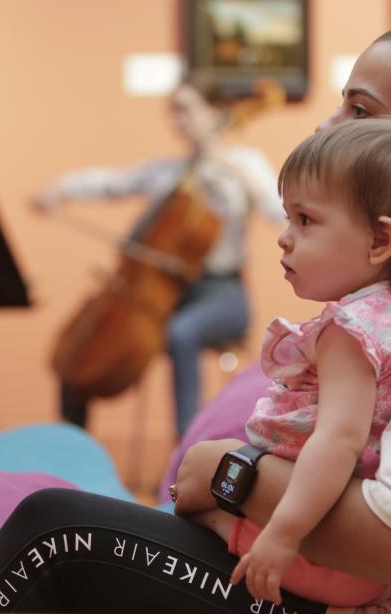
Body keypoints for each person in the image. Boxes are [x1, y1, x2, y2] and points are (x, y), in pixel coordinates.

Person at [0, 23, 391, 614]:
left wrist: (230, 475)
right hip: (345, 579)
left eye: (358, 110)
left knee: (58, 531)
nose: (326, 126)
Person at [225, 116, 391, 607]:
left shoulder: (349, 332)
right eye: (287, 218)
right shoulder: (390, 310)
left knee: (197, 498)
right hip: (333, 549)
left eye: (305, 220)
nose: (284, 237)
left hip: (322, 554)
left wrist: (284, 534)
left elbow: (339, 439)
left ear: (379, 241)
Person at [33, 78, 285, 438]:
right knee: (85, 345)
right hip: (163, 293)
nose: (176, 121)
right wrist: (60, 188)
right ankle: (70, 447)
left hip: (221, 292)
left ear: (216, 112)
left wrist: (247, 181)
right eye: (173, 111)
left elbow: (281, 212)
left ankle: (186, 447)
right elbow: (113, 182)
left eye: (185, 110)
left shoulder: (244, 164)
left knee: (181, 333)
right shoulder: (168, 171)